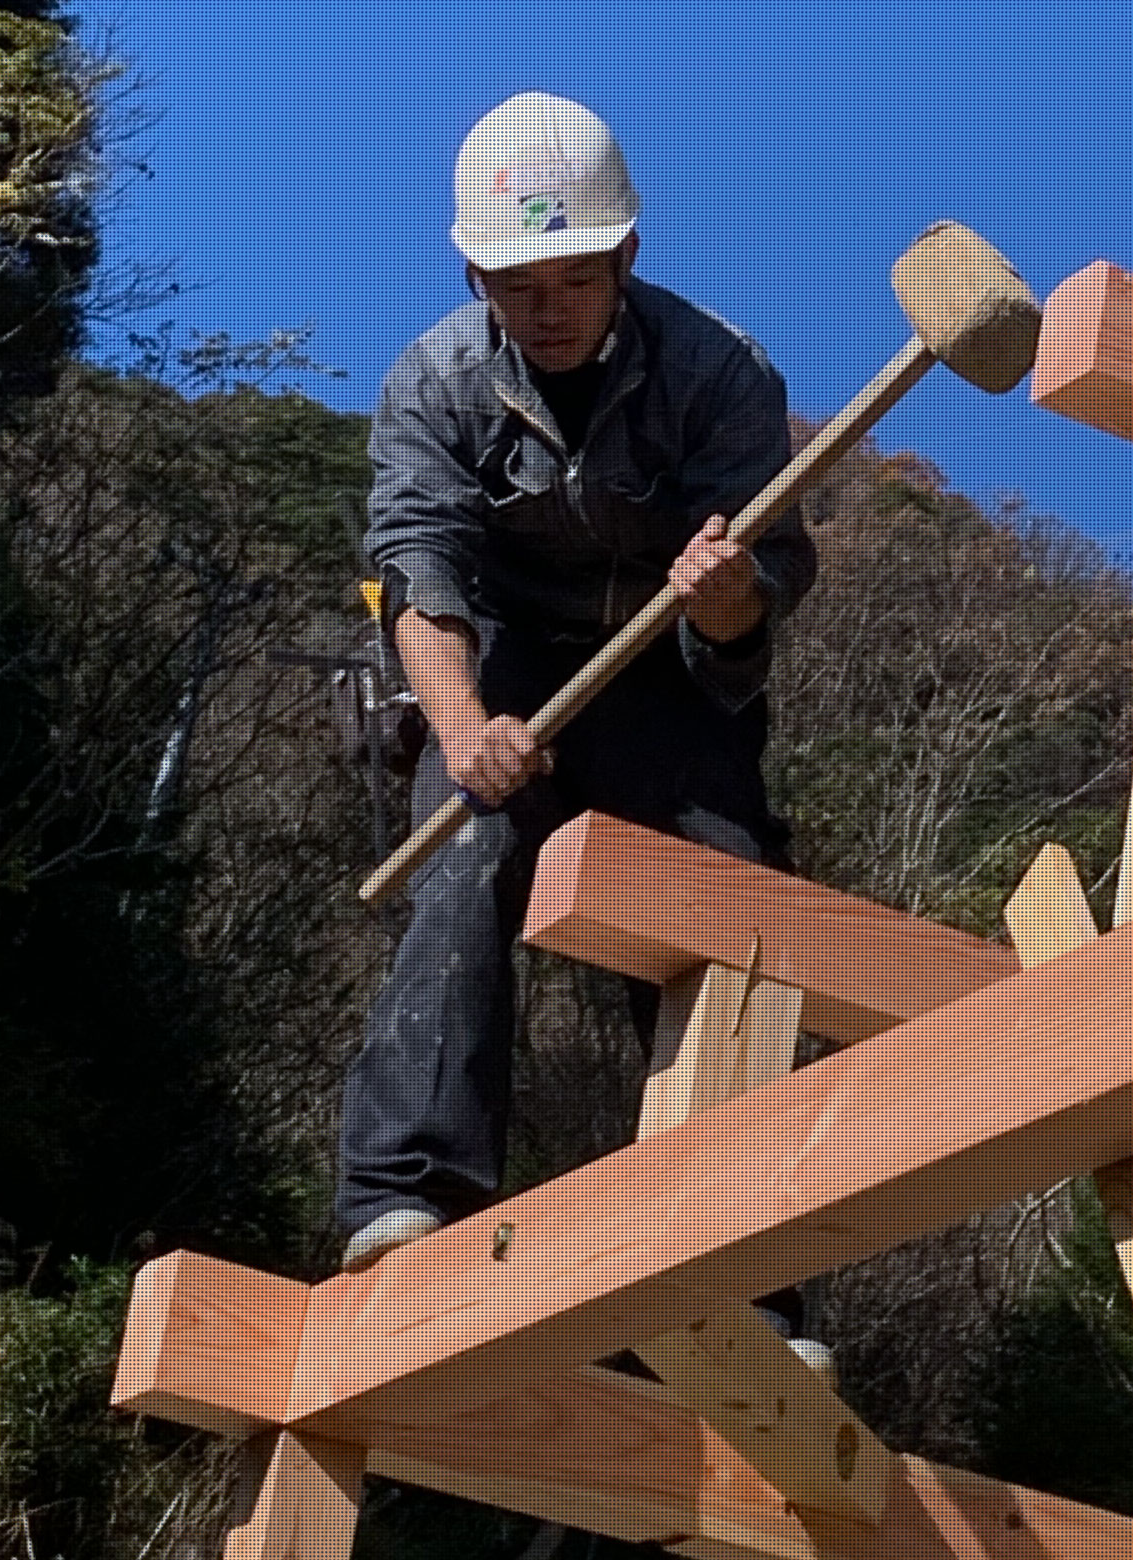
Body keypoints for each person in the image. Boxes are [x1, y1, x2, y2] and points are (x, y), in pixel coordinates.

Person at [336, 93, 819, 1358]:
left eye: (573, 277)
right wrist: (467, 728)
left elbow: (769, 583)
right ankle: (406, 1199)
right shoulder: (433, 386)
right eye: (515, 281)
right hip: (498, 664)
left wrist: (724, 605)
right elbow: (416, 574)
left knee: (725, 895)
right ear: (471, 271)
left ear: (626, 260)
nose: (546, 307)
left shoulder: (723, 375)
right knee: (471, 848)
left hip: (663, 676)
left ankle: (744, 1267)